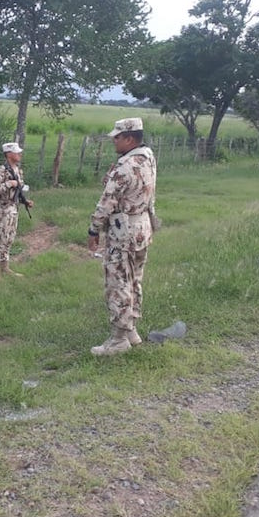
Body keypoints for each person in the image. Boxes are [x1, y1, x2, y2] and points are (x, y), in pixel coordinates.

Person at [87, 118, 158, 355]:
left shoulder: (125, 166)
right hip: (142, 226)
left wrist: (94, 229)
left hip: (123, 230)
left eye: (117, 137)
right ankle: (131, 330)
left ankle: (118, 339)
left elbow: (107, 202)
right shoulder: (147, 157)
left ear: (129, 138)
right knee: (134, 278)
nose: (114, 141)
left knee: (118, 282)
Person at [0, 141, 34, 279]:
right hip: (3, 208)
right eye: (16, 152)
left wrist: (25, 201)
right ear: (9, 154)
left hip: (13, 208)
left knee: (9, 238)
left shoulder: (18, 170)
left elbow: (18, 191)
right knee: (0, 239)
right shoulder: (1, 171)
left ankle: (5, 267)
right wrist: (9, 183)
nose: (20, 154)